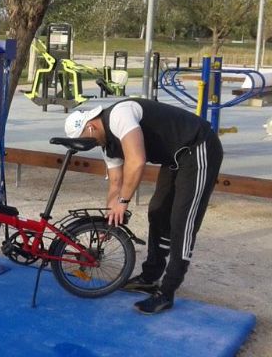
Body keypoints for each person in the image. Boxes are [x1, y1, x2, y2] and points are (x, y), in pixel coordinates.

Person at [64, 98, 223, 315]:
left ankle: (166, 292)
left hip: (198, 146)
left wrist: (123, 202)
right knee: (157, 212)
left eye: (85, 140)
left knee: (182, 221)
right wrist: (110, 219)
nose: (87, 146)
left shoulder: (120, 115)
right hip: (175, 157)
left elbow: (137, 160)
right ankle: (150, 277)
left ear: (90, 126)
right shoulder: (106, 144)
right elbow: (115, 183)